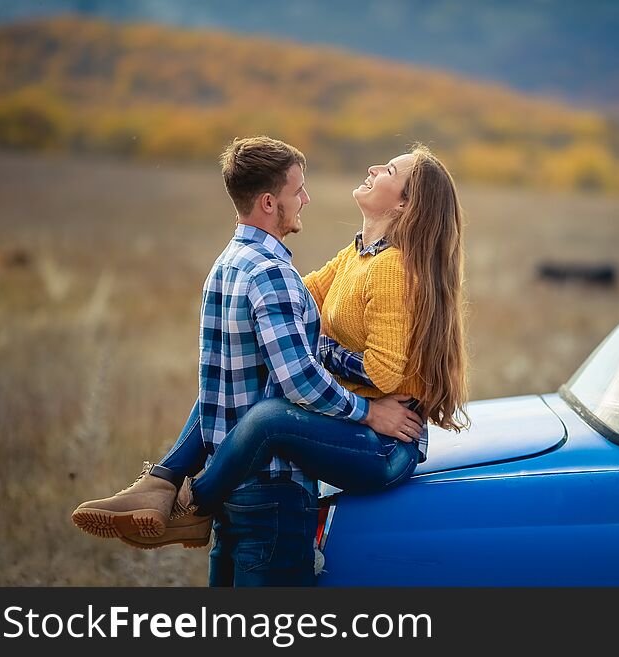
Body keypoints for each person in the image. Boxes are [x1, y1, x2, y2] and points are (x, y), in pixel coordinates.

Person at [72, 137, 469, 586]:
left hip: (384, 442)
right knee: (225, 384)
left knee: (270, 418)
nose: (375, 167)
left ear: (402, 206)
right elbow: (296, 300)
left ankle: (192, 505)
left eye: (390, 172)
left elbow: (384, 373)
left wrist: (315, 351)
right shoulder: (355, 257)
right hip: (357, 428)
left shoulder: (393, 269)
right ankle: (160, 481)